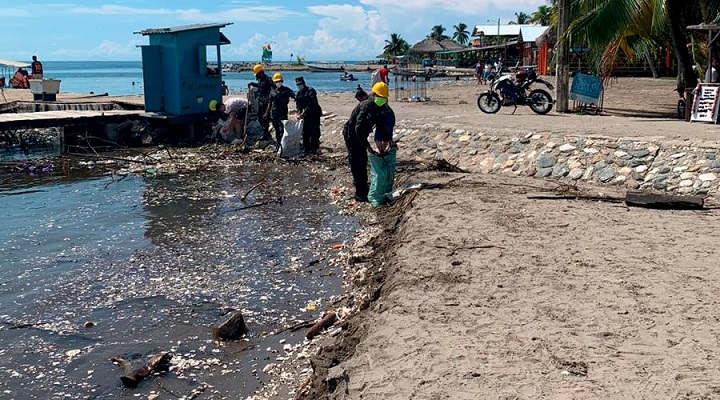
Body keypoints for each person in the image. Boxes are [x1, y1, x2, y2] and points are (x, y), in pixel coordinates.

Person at [342, 81, 395, 202]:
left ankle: (365, 188)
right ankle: (360, 193)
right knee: (357, 162)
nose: (382, 99)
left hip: (363, 133)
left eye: (384, 97)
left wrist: (388, 140)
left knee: (364, 161)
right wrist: (369, 147)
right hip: (352, 135)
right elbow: (358, 129)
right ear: (374, 95)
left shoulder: (385, 108)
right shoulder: (366, 106)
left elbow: (386, 124)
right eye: (379, 97)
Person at [268, 72, 295, 144]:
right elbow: (270, 102)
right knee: (276, 128)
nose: (278, 83)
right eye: (276, 81)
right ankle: (278, 143)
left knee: (282, 129)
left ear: (282, 81)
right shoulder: (272, 91)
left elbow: (294, 96)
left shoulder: (286, 90)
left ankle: (283, 143)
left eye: (279, 81)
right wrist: (266, 112)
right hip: (274, 113)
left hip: (283, 112)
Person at [248, 64, 273, 141]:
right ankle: (267, 134)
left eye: (257, 74)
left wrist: (269, 98)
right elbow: (260, 86)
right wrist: (252, 83)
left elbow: (274, 89)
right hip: (261, 102)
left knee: (265, 119)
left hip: (266, 103)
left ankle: (266, 135)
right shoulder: (261, 80)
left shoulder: (268, 80)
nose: (256, 76)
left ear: (260, 73)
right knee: (259, 118)